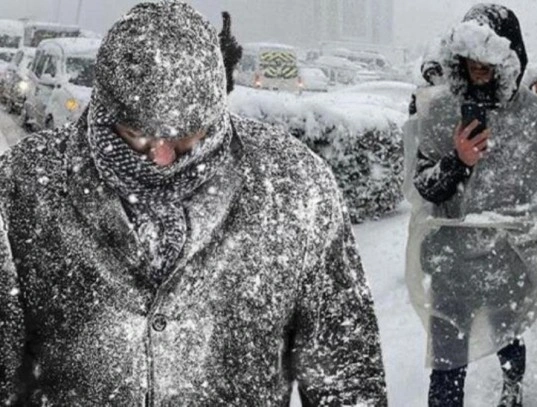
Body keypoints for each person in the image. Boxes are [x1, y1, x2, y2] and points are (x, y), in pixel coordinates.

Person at [0, 2, 387, 405]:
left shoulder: (294, 185)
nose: (162, 157)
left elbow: (346, 376)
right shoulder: (26, 184)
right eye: (137, 134)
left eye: (186, 136)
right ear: (104, 111)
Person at [404, 4, 537, 406]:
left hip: (507, 259)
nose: (479, 66)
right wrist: (456, 162)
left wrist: (522, 223)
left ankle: (511, 389)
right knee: (446, 362)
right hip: (450, 262)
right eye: (471, 57)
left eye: (490, 57)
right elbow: (423, 186)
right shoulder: (441, 108)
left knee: (508, 335)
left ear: (512, 55)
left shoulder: (535, 115)